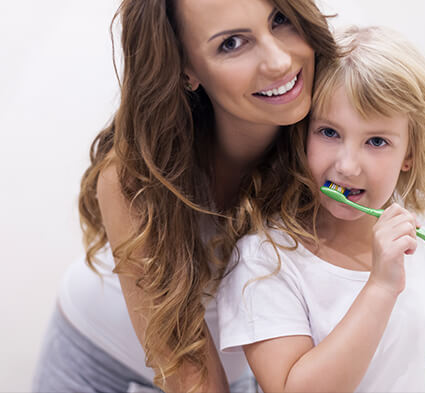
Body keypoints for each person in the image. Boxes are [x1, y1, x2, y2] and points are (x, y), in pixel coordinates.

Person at [32, 0, 337, 392]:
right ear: (186, 68)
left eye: (279, 20)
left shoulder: (340, 143)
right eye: (231, 44)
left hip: (238, 373)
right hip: (95, 365)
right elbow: (189, 375)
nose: (278, 61)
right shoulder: (133, 177)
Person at [217, 26, 425, 392]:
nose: (348, 165)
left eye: (377, 141)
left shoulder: (416, 234)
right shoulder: (265, 261)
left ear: (408, 154)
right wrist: (380, 287)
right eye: (329, 133)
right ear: (301, 135)